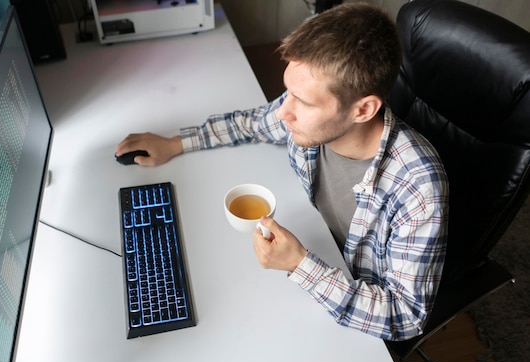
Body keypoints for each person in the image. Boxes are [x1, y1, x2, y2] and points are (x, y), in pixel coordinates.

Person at [115, 2, 449, 341]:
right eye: (288, 92)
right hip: (311, 249)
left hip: (343, 309)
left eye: (303, 102)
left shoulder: (418, 186)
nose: (283, 112)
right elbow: (253, 123)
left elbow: (406, 317)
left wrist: (300, 265)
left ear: (363, 109)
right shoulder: (307, 116)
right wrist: (176, 143)